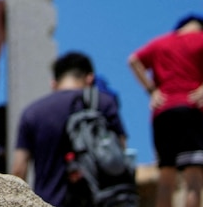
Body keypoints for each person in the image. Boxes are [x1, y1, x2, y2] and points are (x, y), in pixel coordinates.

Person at [128, 13, 203, 207]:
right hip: (189, 109)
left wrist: (151, 91)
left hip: (162, 112)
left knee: (166, 178)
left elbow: (133, 60)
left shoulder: (160, 42)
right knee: (194, 178)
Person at [11, 51, 127, 206]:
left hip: (49, 202)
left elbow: (19, 169)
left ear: (53, 82)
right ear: (90, 78)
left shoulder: (31, 113)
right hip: (98, 201)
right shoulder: (103, 103)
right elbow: (120, 149)